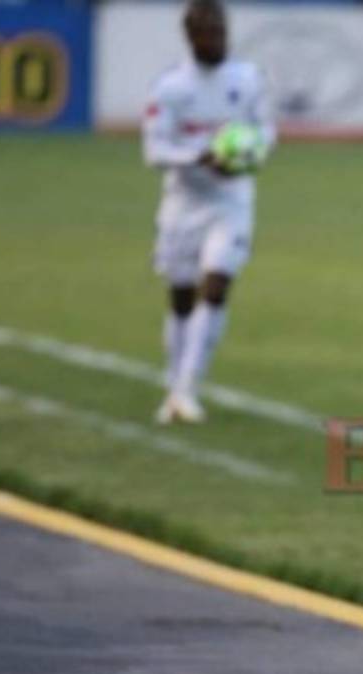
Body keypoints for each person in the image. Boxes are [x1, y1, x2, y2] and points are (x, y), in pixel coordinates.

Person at [143, 0, 275, 424]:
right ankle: (175, 381)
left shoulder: (247, 79)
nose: (216, 40)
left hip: (231, 200)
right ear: (191, 36)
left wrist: (249, 153)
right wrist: (199, 157)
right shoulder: (171, 87)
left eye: (220, 32)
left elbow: (266, 129)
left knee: (216, 285)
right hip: (183, 203)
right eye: (207, 33)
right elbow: (154, 149)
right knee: (182, 297)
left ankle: (186, 388)